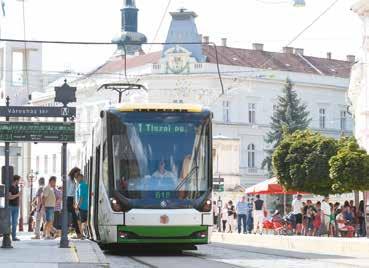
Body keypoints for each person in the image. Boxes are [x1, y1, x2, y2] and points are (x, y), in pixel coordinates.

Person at [67, 167, 81, 239]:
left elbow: (74, 193)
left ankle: (78, 233)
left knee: (73, 217)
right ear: (74, 172)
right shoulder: (68, 179)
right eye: (77, 173)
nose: (78, 175)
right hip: (67, 199)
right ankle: (78, 233)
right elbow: (66, 190)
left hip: (71, 199)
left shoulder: (73, 181)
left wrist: (74, 202)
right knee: (73, 217)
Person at [75, 174, 89, 238]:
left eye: (78, 178)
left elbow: (81, 197)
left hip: (82, 206)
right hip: (85, 206)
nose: (76, 179)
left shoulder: (81, 185)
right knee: (81, 221)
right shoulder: (84, 185)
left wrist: (77, 206)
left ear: (82, 177)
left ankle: (81, 234)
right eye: (76, 178)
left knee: (81, 221)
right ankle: (82, 234)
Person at [9, 175, 22, 241]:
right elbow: (9, 197)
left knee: (15, 223)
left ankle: (14, 237)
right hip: (10, 206)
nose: (19, 182)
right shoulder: (10, 187)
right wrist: (17, 195)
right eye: (19, 180)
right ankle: (7, 236)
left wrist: (19, 205)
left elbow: (18, 197)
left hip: (16, 207)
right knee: (9, 222)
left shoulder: (17, 187)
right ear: (16, 180)